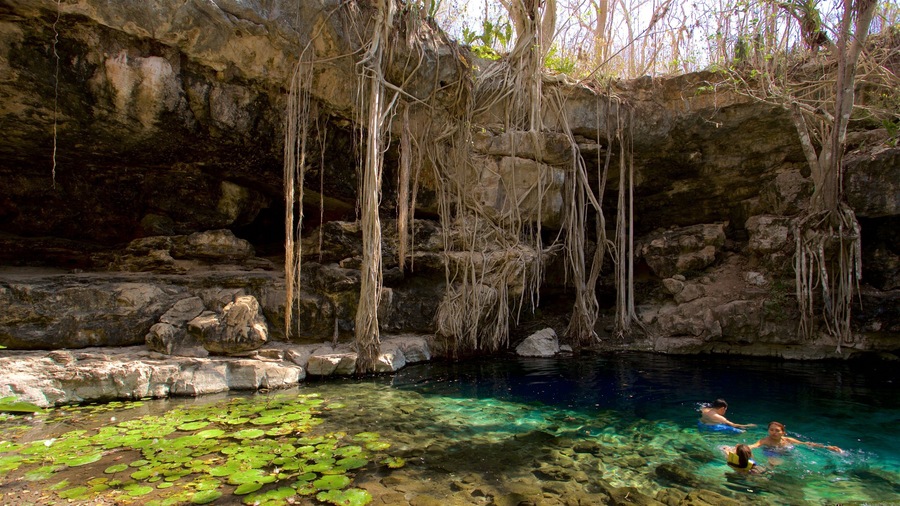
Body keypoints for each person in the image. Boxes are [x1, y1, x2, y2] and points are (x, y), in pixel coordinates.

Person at [749, 421, 842, 455]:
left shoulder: (788, 440)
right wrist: (739, 448)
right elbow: (754, 445)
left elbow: (806, 444)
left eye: (777, 430)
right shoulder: (765, 441)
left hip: (785, 451)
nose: (774, 432)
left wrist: (826, 447)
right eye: (771, 430)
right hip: (770, 452)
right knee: (773, 462)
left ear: (783, 433)